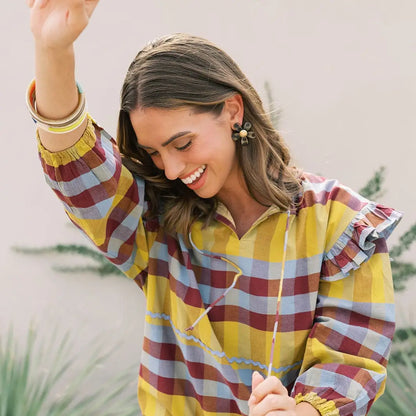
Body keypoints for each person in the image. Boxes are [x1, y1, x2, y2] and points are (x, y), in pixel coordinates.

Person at [27, 1, 402, 415]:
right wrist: (52, 50)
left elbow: (353, 359)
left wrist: (300, 411)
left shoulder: (339, 222)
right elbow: (80, 171)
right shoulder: (156, 223)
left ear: (232, 111)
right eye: (153, 153)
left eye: (182, 144)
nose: (170, 168)